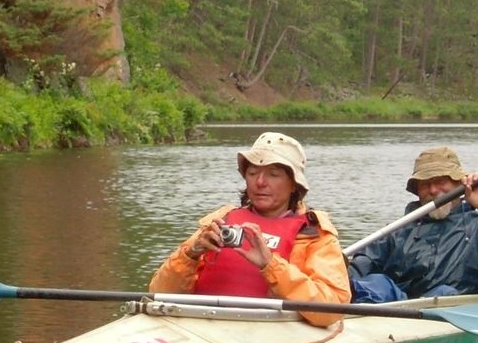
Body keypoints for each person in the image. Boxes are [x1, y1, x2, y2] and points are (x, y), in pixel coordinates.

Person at [149, 132, 351, 327]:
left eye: (273, 174)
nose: (260, 182)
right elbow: (158, 292)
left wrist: (270, 264)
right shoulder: (221, 220)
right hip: (201, 323)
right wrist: (190, 255)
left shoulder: (314, 234)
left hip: (267, 330)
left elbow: (331, 310)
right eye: (253, 173)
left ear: (294, 185)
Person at [348, 146, 478, 303]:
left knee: (445, 293)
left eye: (441, 182)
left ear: (458, 184)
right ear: (417, 190)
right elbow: (360, 267)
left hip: (455, 311)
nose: (433, 190)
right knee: (377, 283)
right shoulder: (397, 231)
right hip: (399, 312)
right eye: (425, 184)